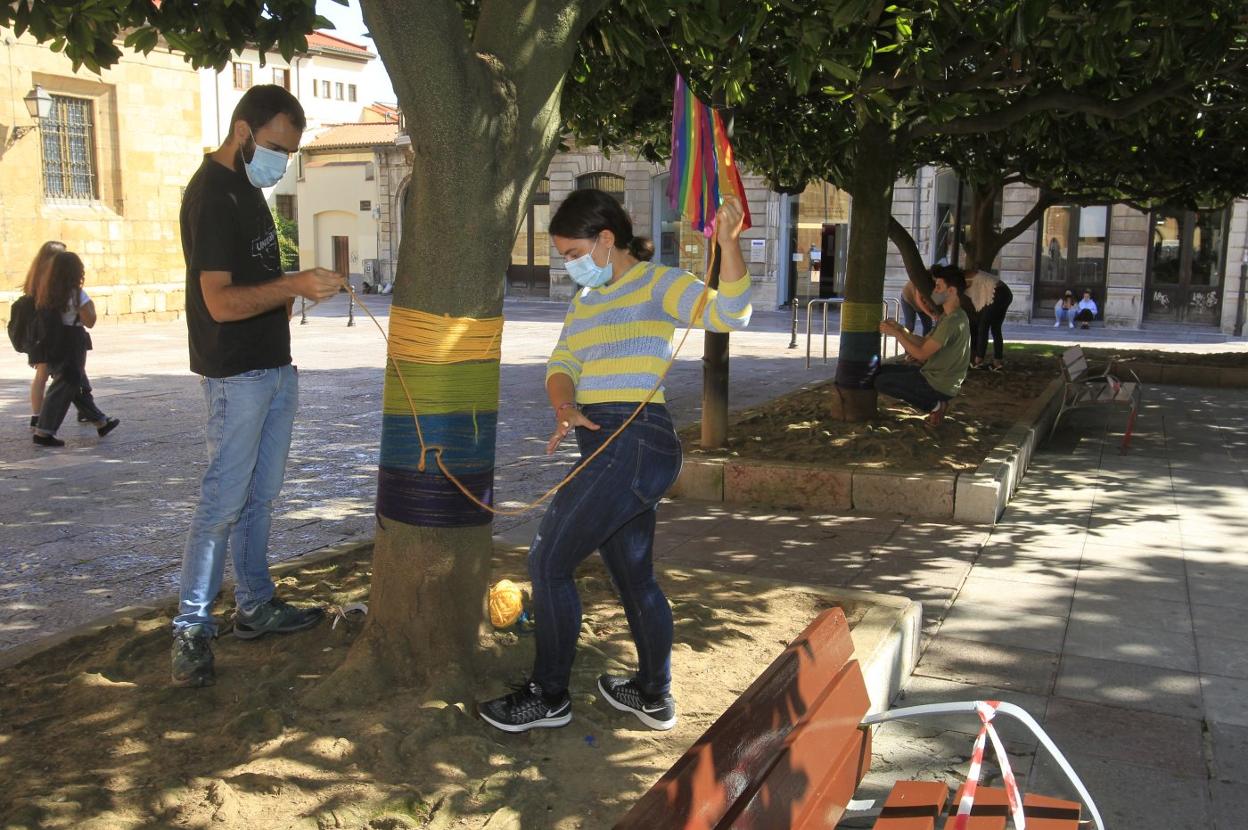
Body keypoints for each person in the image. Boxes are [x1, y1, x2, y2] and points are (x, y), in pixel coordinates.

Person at [477, 189, 752, 733]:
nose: (569, 264)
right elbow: (563, 361)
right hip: (602, 444)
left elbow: (730, 313)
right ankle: (652, 694)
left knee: (548, 561)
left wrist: (727, 245)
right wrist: (564, 405)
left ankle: (548, 695)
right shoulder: (585, 302)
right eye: (562, 256)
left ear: (606, 239)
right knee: (632, 577)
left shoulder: (657, 282)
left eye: (573, 252)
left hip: (638, 438)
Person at [172, 85, 343, 688]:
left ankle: (255, 604)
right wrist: (295, 285)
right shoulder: (213, 195)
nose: (279, 162)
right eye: (274, 147)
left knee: (261, 496)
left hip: (273, 368)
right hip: (235, 375)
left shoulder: (248, 190)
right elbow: (218, 303)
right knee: (220, 502)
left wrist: (295, 288)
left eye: (289, 153)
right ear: (242, 131)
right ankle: (191, 628)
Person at [30, 252, 120, 447]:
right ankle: (44, 431)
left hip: (52, 343)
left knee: (73, 382)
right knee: (66, 384)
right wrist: (86, 306)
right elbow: (90, 321)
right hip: (72, 342)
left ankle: (100, 421)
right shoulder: (77, 294)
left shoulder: (46, 292)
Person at [876, 265, 971, 426]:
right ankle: (936, 403)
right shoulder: (949, 316)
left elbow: (921, 354)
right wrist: (901, 329)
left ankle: (936, 405)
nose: (935, 290)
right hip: (934, 375)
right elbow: (926, 343)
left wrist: (897, 334)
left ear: (952, 291)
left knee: (881, 381)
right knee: (881, 370)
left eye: (939, 286)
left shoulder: (953, 321)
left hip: (939, 383)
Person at [13, 241, 90, 431]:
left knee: (66, 374)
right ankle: (40, 417)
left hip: (46, 333)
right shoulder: (50, 280)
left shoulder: (39, 277)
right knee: (54, 373)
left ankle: (86, 411)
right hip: (52, 334)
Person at [965, 269, 1013, 370]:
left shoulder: (968, 277)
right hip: (1005, 294)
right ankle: (997, 361)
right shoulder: (975, 275)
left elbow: (975, 294)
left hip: (997, 294)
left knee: (983, 326)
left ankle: (979, 359)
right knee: (995, 328)